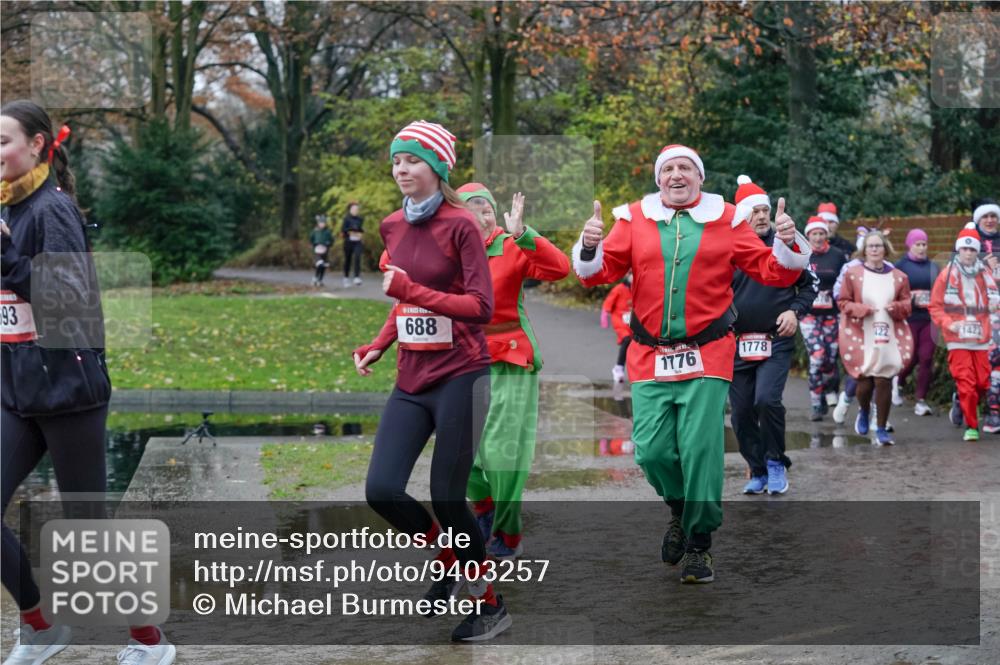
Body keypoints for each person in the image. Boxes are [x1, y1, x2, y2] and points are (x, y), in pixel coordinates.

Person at [572, 144, 809, 583]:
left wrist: (788, 241)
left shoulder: (727, 219)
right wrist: (589, 246)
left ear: (700, 177)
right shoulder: (634, 219)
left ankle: (700, 543)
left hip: (708, 352)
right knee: (652, 451)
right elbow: (597, 273)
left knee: (700, 449)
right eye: (668, 169)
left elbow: (773, 270)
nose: (676, 175)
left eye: (685, 168)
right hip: (649, 355)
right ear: (658, 178)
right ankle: (681, 511)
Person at [1, 100, 175, 664]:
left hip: (68, 392)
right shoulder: (8, 207)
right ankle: (41, 628)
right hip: (16, 393)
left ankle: (150, 642)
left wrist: (4, 255)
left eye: (3, 141)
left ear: (36, 145)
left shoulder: (52, 209)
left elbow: (65, 301)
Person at [351, 121, 512, 642]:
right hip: (411, 378)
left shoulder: (461, 225)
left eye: (413, 160)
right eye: (396, 160)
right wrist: (380, 343)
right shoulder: (392, 226)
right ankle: (449, 555)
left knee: (447, 497)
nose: (401, 169)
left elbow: (481, 307)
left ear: (438, 168)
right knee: (381, 490)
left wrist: (412, 291)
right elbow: (403, 301)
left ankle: (490, 605)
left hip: (463, 376)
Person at [456, 183, 570, 561]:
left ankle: (508, 531)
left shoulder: (510, 246)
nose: (480, 217)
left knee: (502, 453)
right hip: (462, 363)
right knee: (461, 454)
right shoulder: (447, 252)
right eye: (470, 211)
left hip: (510, 360)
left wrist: (523, 233)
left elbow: (559, 268)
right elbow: (393, 260)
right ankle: (485, 510)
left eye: (486, 210)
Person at [728, 176, 818, 495]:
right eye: (754, 212)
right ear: (743, 216)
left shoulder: (786, 245)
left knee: (766, 400)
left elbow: (810, 285)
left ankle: (776, 461)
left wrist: (794, 311)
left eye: (765, 210)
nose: (762, 216)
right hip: (736, 343)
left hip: (775, 339)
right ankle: (757, 468)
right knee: (740, 413)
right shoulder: (729, 248)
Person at [836, 230, 913, 445]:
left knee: (883, 380)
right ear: (864, 250)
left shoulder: (899, 276)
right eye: (871, 246)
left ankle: (881, 428)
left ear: (885, 249)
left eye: (878, 245)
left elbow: (907, 305)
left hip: (888, 332)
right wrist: (861, 309)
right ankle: (863, 409)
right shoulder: (853, 274)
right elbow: (843, 302)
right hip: (860, 333)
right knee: (864, 383)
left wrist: (896, 307)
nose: (875, 250)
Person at [929, 224, 999, 441]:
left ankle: (960, 401)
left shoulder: (986, 274)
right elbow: (935, 306)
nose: (968, 253)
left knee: (983, 383)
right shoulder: (946, 275)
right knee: (967, 383)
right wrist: (949, 323)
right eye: (965, 249)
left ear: (977, 251)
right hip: (957, 337)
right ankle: (972, 426)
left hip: (981, 336)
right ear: (958, 250)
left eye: (972, 249)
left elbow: (995, 301)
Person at [799, 216, 850, 421]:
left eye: (821, 233)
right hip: (809, 315)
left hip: (832, 315)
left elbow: (846, 282)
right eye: (814, 234)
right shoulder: (802, 254)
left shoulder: (837, 255)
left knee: (830, 357)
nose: (818, 237)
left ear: (826, 235)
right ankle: (816, 403)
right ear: (808, 235)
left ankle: (830, 388)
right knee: (817, 356)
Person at [893, 229, 940, 416]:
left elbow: (940, 289)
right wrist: (910, 298)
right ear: (909, 245)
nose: (921, 248)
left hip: (929, 318)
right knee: (910, 357)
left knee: (926, 357)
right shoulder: (901, 266)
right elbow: (893, 292)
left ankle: (921, 400)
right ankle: (899, 381)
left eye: (924, 244)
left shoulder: (933, 266)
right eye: (917, 244)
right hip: (909, 318)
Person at [971, 198, 1000, 433]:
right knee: (983, 364)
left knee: (997, 360)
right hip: (978, 312)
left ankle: (993, 413)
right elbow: (955, 273)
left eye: (994, 216)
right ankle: (964, 398)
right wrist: (982, 265)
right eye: (985, 217)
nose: (990, 220)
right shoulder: (969, 242)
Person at [601, 272, 633, 383]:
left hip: (632, 323)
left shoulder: (636, 289)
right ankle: (618, 368)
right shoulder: (619, 289)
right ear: (627, 275)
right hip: (619, 321)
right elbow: (608, 302)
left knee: (634, 345)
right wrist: (604, 315)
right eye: (631, 274)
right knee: (626, 340)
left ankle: (636, 372)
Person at [342, 202, 364, 287]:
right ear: (350, 210)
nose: (355, 210)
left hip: (357, 242)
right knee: (348, 259)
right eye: (354, 209)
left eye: (357, 209)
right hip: (348, 242)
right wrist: (350, 232)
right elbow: (343, 230)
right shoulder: (346, 219)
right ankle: (346, 277)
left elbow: (361, 229)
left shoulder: (360, 219)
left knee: (358, 256)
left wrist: (360, 233)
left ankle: (357, 277)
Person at [309, 214, 333, 287]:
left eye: (323, 223)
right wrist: (314, 243)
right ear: (318, 223)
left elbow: (331, 240)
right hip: (317, 251)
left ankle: (320, 279)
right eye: (320, 223)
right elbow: (311, 238)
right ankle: (315, 277)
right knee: (319, 264)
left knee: (323, 266)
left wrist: (328, 243)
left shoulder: (327, 232)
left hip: (325, 251)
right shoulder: (315, 231)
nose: (322, 224)